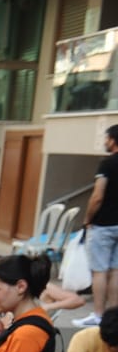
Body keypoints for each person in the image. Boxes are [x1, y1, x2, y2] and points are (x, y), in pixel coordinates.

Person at [78, 124, 118, 327]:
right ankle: (114, 317)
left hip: (103, 225)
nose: (105, 142)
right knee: (116, 271)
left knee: (100, 271)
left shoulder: (107, 164)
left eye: (106, 138)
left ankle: (99, 315)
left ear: (112, 140)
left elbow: (97, 197)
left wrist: (87, 219)